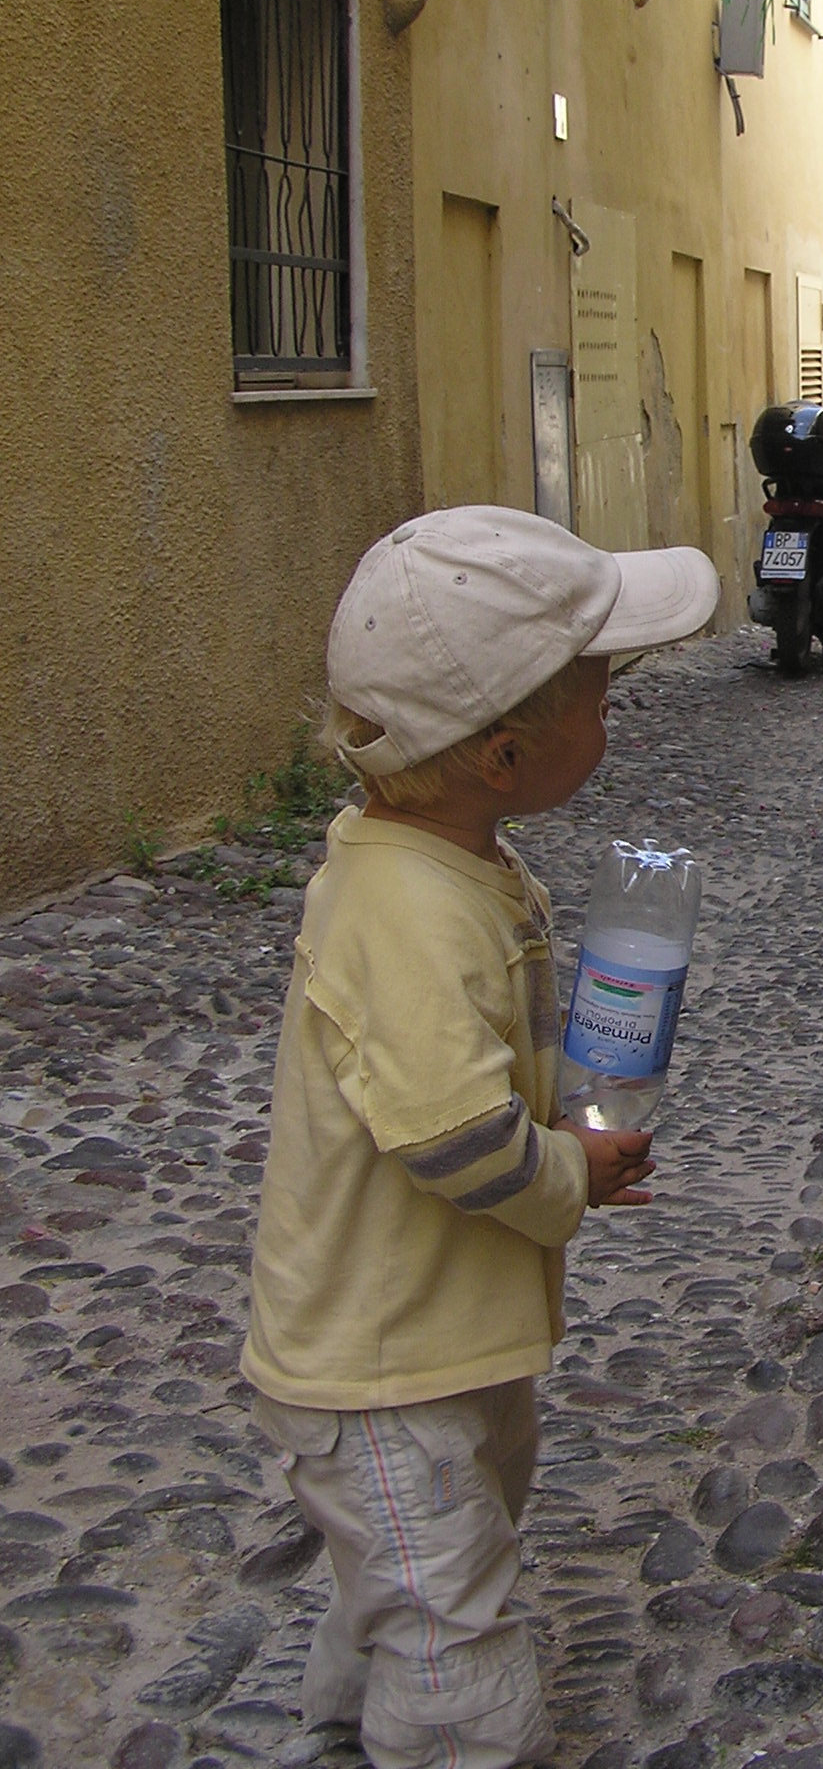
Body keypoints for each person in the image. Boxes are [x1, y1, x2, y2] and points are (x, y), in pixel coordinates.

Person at [241, 506, 718, 1769]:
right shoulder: (405, 908)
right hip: (384, 1360)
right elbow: (451, 1132)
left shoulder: (453, 863)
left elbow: (471, 1063)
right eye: (600, 698)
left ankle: (349, 1722)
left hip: (440, 1335)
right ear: (504, 755)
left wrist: (564, 1103)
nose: (612, 716)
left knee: (422, 1564)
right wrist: (564, 1167)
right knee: (450, 1613)